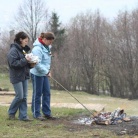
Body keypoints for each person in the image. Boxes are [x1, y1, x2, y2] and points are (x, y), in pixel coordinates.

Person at [7, 31, 34, 121]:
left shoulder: (24, 50)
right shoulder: (13, 51)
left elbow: (24, 63)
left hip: (24, 76)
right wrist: (25, 60)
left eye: (27, 41)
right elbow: (13, 64)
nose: (27, 43)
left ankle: (23, 116)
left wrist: (31, 64)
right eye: (25, 41)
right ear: (20, 40)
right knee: (20, 96)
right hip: (16, 76)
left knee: (24, 97)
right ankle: (11, 112)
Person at [30, 32, 56, 120]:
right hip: (37, 74)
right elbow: (36, 64)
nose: (51, 44)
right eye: (50, 42)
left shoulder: (47, 47)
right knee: (37, 94)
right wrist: (46, 71)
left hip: (44, 73)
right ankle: (36, 113)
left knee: (47, 93)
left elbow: (46, 61)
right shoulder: (37, 49)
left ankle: (47, 113)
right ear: (44, 39)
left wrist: (48, 71)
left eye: (52, 42)